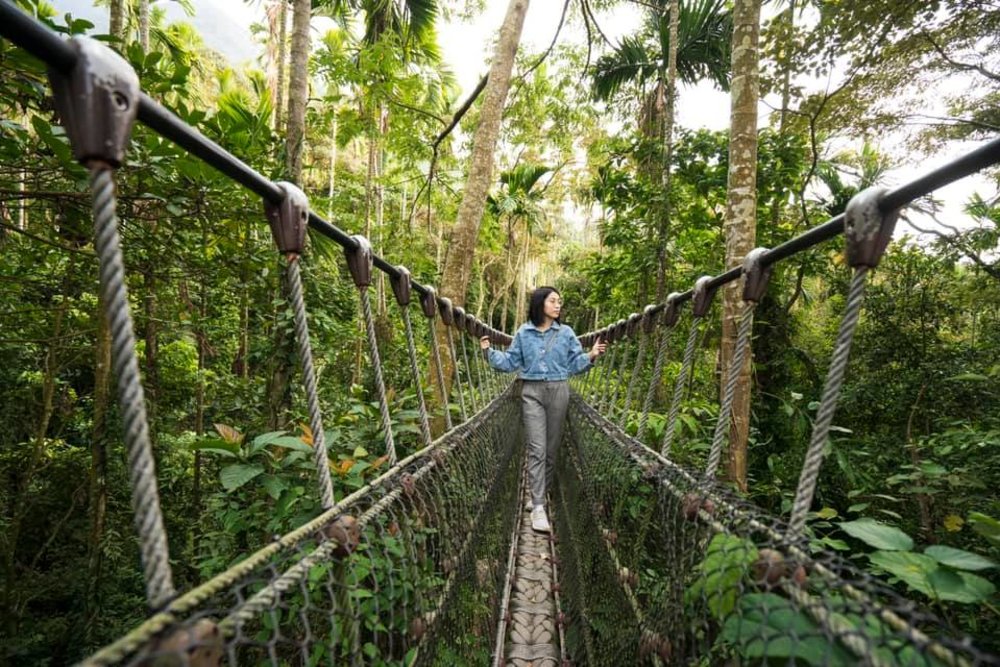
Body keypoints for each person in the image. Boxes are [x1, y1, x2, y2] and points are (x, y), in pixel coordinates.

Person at [480, 287, 606, 533]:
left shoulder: (566, 333)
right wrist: (488, 353)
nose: (558, 306)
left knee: (550, 449)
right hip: (532, 392)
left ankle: (540, 493)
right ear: (540, 304)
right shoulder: (523, 333)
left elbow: (574, 364)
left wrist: (590, 355)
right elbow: (510, 362)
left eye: (560, 301)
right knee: (537, 448)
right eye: (553, 301)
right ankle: (538, 506)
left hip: (559, 390)